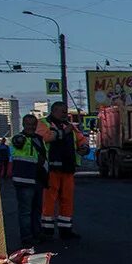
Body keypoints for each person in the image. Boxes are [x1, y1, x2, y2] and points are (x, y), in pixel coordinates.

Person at [37, 101, 88, 239]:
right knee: (49, 199)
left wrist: (84, 146)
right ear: (54, 111)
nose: (65, 114)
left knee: (67, 199)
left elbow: (81, 139)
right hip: (51, 168)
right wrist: (62, 133)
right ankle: (47, 230)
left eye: (66, 111)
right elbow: (45, 138)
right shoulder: (44, 123)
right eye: (63, 111)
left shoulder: (69, 126)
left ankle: (66, 229)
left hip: (67, 167)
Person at [9, 115, 48, 248]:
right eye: (28, 124)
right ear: (23, 124)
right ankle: (27, 237)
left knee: (36, 210)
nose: (30, 127)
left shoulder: (39, 139)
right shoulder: (19, 138)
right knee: (25, 211)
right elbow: (17, 143)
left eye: (33, 124)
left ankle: (37, 233)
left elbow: (43, 156)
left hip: (37, 179)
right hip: (24, 179)